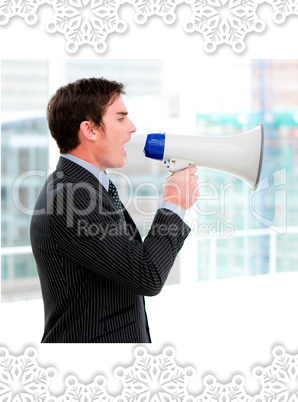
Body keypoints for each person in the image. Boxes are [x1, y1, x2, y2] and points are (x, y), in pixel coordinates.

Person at [30, 77, 199, 343]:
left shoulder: (84, 187)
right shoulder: (72, 199)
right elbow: (147, 275)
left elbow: (128, 262)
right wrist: (174, 203)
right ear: (90, 130)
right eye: (121, 118)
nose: (131, 128)